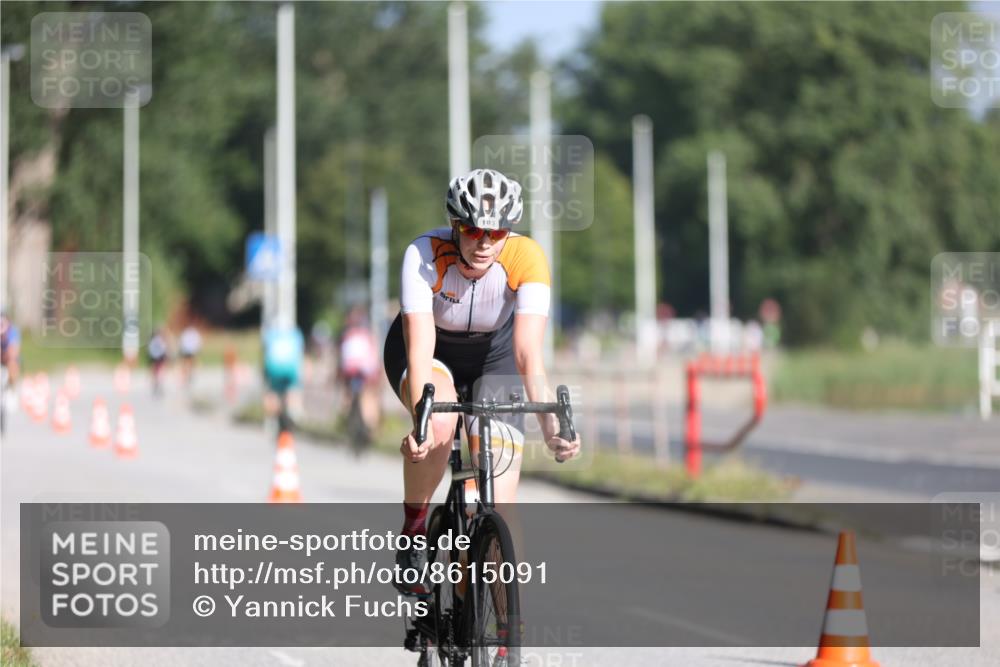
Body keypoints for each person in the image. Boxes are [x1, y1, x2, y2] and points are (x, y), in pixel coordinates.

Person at [383, 168, 581, 594]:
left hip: (496, 358)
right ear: (456, 226)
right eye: (473, 230)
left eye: (497, 232)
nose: (484, 242)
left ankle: (506, 637)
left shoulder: (526, 257)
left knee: (498, 503)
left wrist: (552, 431)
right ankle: (414, 528)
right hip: (431, 353)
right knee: (438, 424)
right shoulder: (424, 254)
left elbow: (528, 354)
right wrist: (421, 422)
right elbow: (419, 350)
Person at [337, 306, 380, 435]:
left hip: (349, 370)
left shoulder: (346, 335)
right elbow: (375, 357)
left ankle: (345, 416)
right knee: (369, 396)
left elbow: (341, 358)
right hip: (365, 370)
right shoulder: (368, 335)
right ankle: (371, 427)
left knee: (348, 393)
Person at [262, 321, 305, 433]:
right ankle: (294, 413)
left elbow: (265, 354)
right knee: (293, 389)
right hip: (290, 370)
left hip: (274, 368)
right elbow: (300, 354)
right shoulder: (296, 334)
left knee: (272, 392)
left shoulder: (270, 334)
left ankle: (272, 419)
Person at [147, 327, 171, 397]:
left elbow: (150, 349)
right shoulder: (161, 340)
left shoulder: (153, 340)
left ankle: (156, 383)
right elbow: (164, 349)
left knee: (155, 370)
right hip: (159, 356)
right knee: (159, 370)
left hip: (155, 356)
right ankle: (158, 382)